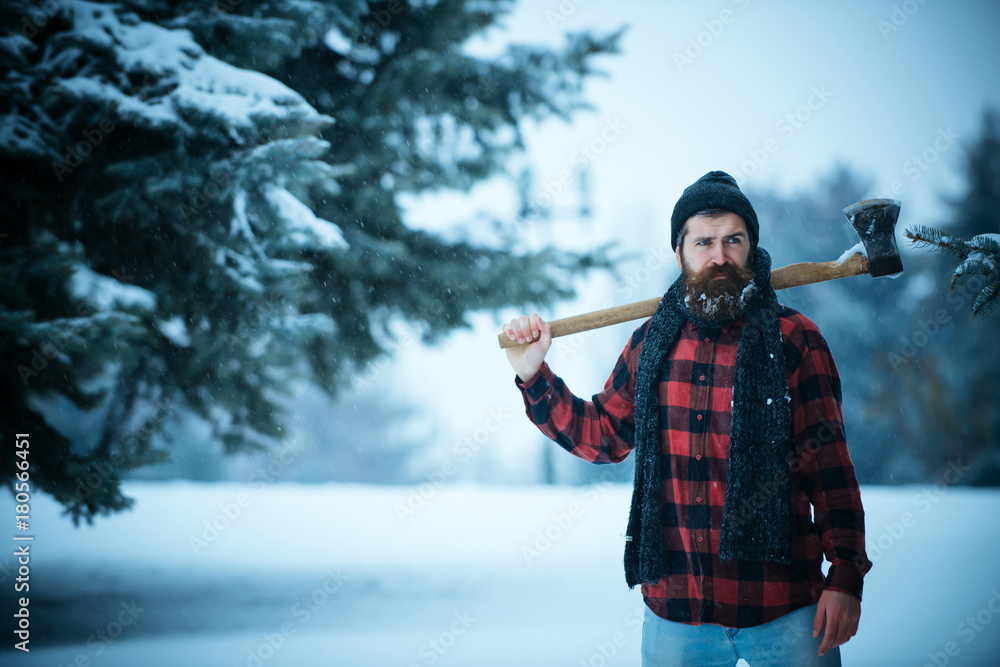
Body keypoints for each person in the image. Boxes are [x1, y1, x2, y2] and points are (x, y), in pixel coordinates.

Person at [502, 171, 872, 666]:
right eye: (703, 243)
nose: (719, 257)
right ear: (679, 254)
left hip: (785, 610)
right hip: (676, 615)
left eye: (732, 240)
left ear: (752, 248)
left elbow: (830, 470)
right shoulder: (651, 343)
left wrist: (845, 576)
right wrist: (533, 375)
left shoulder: (795, 339)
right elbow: (603, 435)